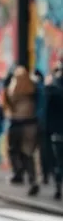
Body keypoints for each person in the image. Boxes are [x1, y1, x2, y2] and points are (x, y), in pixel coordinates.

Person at [3, 66, 39, 196]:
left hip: (16, 123)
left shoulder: (14, 88)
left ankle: (18, 173)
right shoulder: (32, 89)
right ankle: (32, 179)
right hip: (31, 125)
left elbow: (6, 102)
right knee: (27, 153)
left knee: (13, 150)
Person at [44, 66, 63, 200]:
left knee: (58, 161)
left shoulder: (52, 91)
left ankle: (58, 187)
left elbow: (46, 111)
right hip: (57, 129)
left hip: (56, 130)